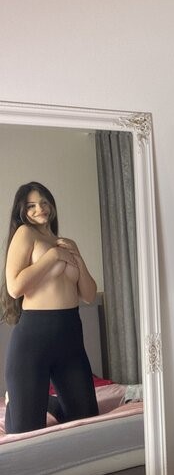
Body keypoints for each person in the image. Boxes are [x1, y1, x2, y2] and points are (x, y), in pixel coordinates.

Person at [0, 182, 99, 433]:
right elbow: (15, 287)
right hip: (33, 341)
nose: (39, 209)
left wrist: (77, 257)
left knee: (86, 421)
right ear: (22, 211)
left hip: (70, 339)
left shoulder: (65, 242)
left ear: (51, 205)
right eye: (31, 205)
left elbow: (89, 295)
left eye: (44, 202)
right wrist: (52, 257)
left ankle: (48, 403)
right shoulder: (25, 233)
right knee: (25, 431)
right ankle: (15, 402)